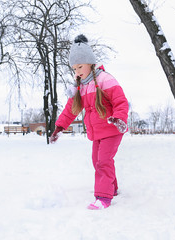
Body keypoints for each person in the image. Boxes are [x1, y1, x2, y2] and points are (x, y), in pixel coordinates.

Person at [50, 34, 129, 210]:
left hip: (112, 129)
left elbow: (120, 102)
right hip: (97, 133)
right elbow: (71, 109)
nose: (77, 72)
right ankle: (112, 188)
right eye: (74, 68)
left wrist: (120, 119)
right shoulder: (80, 87)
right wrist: (59, 127)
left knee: (103, 161)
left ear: (90, 63)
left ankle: (103, 197)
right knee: (97, 161)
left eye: (80, 67)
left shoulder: (105, 79)